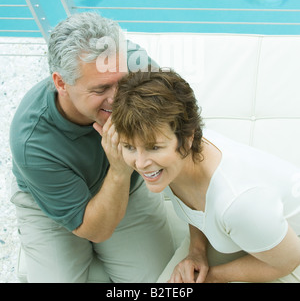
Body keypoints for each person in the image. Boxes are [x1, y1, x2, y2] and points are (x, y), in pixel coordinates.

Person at [10, 12, 176, 283]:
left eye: (122, 82)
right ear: (61, 83)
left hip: (129, 190)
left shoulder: (136, 65)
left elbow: (181, 126)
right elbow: (95, 230)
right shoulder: (32, 141)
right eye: (101, 89)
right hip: (50, 205)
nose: (118, 98)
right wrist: (120, 167)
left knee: (156, 283)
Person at [108, 68, 300, 283]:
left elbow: (289, 260)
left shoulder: (238, 201)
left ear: (188, 138)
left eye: (154, 147)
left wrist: (212, 278)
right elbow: (199, 210)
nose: (141, 163)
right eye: (129, 147)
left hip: (285, 255)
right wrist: (196, 251)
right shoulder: (174, 163)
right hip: (243, 238)